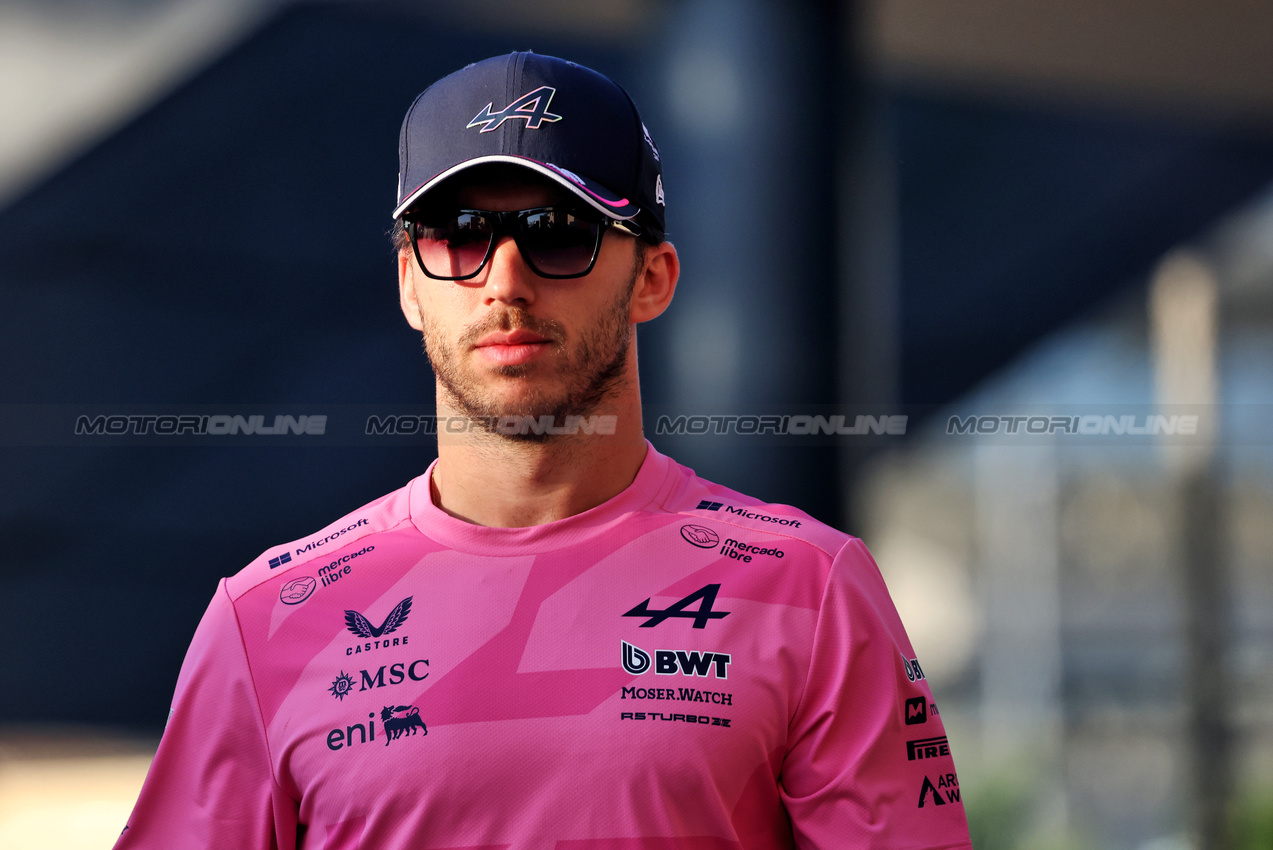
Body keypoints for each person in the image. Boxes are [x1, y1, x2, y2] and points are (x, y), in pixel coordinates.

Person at [116, 52, 971, 850]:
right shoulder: (264, 615)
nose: (505, 279)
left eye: (559, 232)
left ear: (653, 278)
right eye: (459, 234)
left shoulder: (810, 586)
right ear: (411, 284)